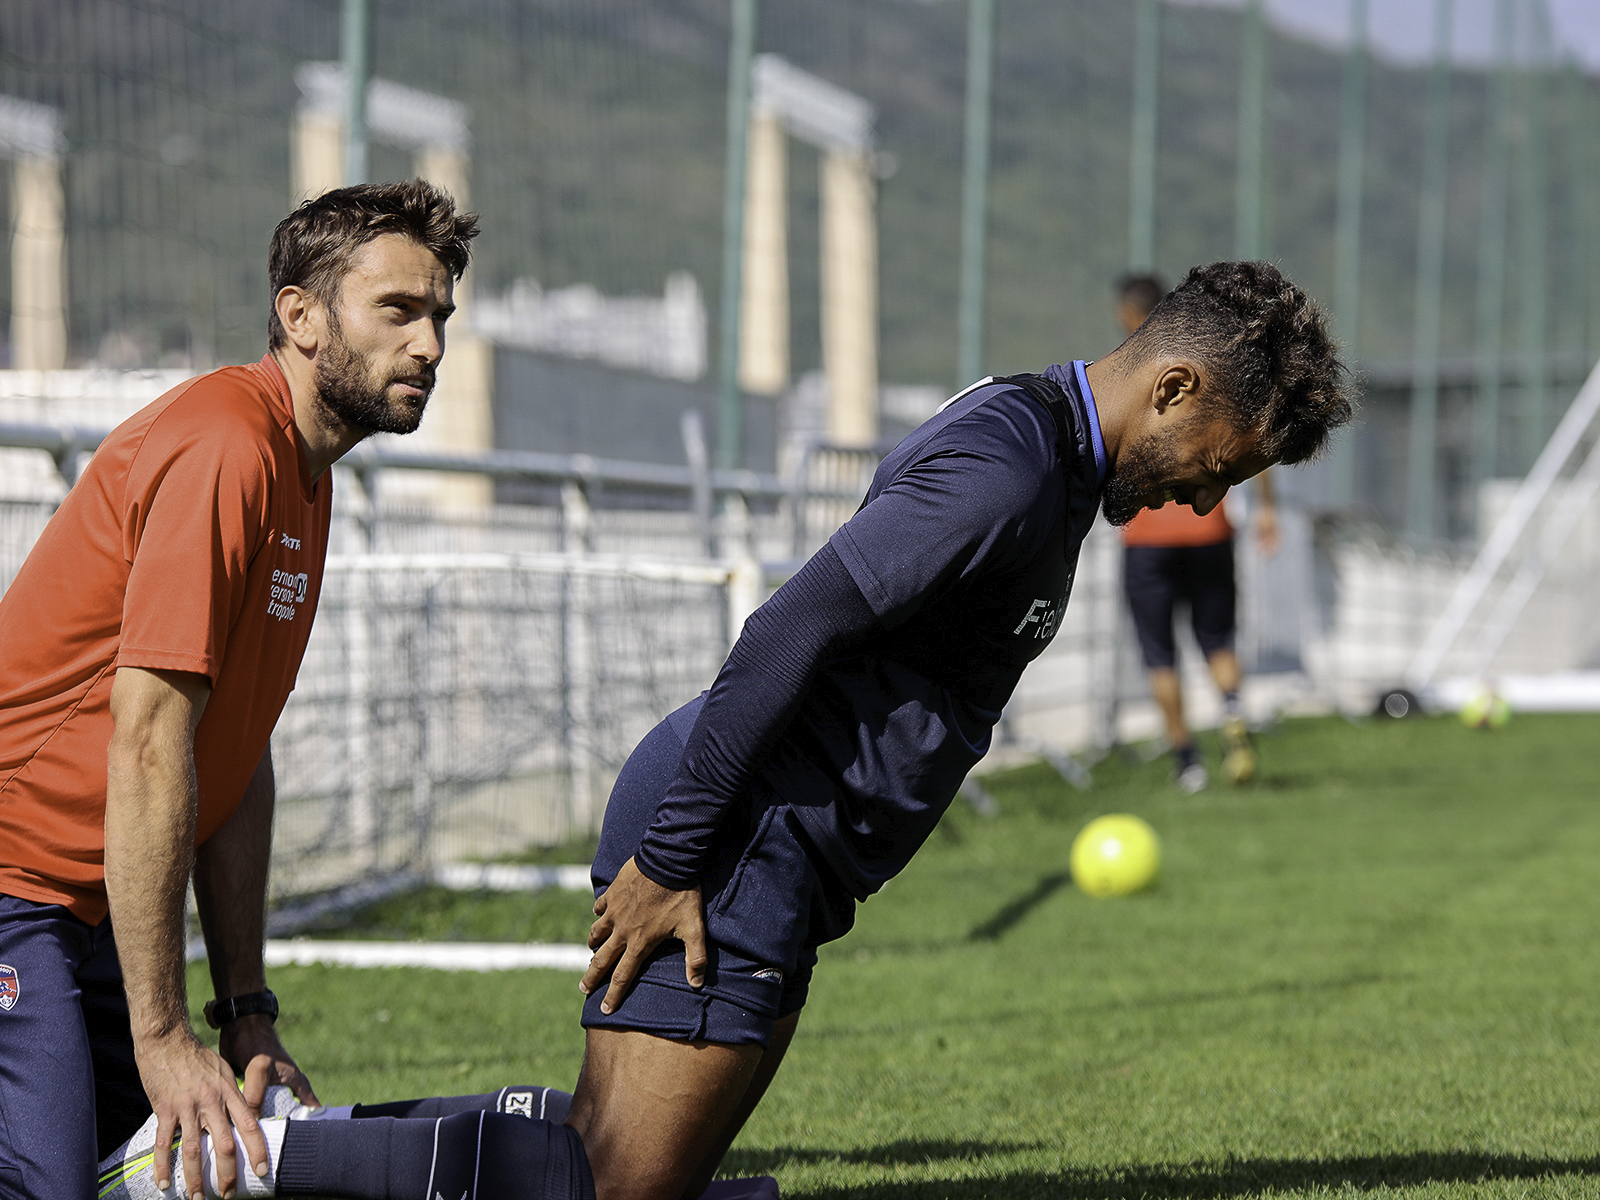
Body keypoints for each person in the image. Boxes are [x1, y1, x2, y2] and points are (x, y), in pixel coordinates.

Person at [94, 259, 1351, 1200]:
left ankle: (275, 1153)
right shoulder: (1014, 469)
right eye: (1219, 465)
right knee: (610, 1190)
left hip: (779, 857)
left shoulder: (1049, 455)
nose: (1203, 494)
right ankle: (232, 1168)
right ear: (1175, 385)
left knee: (609, 1173)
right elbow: (792, 628)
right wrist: (677, 856)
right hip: (738, 841)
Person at [0, 179, 477, 1200]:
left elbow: (233, 749)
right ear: (300, 316)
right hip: (14, 891)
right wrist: (163, 1035)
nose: (430, 345)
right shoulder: (226, 444)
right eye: (396, 310)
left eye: (439, 316)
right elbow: (148, 746)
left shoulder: (309, 474)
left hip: (85, 913)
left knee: (211, 1170)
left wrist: (243, 1008)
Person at [1113, 271, 1280, 791]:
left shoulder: (1129, 373)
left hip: (1149, 538)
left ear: (1128, 315)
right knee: (1217, 640)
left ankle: (1187, 760)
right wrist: (1267, 509)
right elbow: (1252, 440)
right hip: (1211, 535)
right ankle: (1232, 717)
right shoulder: (1219, 371)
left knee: (1159, 653)